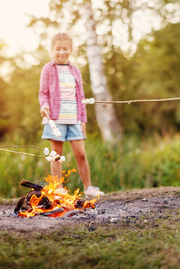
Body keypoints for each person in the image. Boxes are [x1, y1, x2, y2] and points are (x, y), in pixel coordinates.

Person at [38, 33, 103, 197]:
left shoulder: (75, 71)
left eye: (65, 48)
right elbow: (43, 93)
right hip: (55, 119)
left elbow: (81, 98)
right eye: (58, 49)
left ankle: (88, 188)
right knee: (56, 155)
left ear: (71, 49)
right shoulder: (47, 69)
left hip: (74, 119)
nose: (61, 52)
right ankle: (58, 188)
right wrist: (44, 106)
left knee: (81, 154)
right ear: (52, 49)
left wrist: (83, 120)